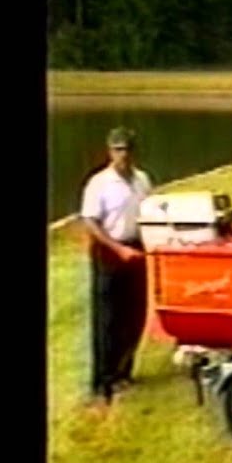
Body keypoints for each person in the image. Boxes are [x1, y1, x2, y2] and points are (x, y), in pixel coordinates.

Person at [80, 127, 153, 407]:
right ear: (110, 152)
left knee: (134, 316)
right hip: (109, 251)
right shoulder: (98, 183)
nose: (123, 155)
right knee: (107, 320)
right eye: (118, 150)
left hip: (137, 249)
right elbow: (90, 221)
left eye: (128, 150)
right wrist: (118, 249)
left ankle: (124, 373)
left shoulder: (142, 179)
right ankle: (102, 382)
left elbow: (148, 212)